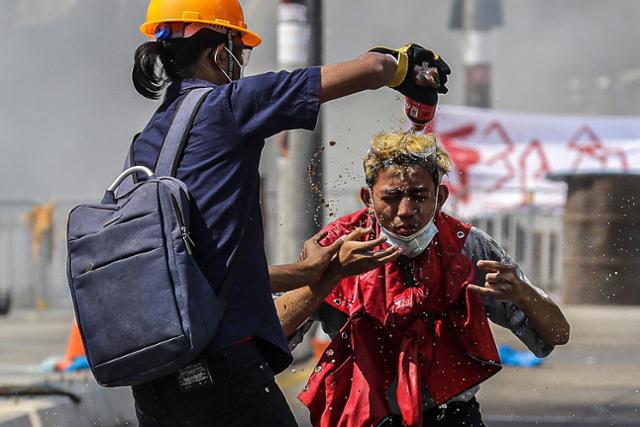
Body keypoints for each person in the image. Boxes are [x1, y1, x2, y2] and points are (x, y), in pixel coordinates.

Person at [127, 0, 451, 425]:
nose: (242, 64)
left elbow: (194, 273)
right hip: (221, 367)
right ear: (220, 53)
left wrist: (305, 274)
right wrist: (407, 67)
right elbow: (371, 71)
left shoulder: (148, 141)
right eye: (240, 53)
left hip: (157, 377)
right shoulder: (229, 104)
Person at [276, 132, 570, 427]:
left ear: (440, 198)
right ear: (368, 198)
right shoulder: (337, 247)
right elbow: (270, 329)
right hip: (363, 415)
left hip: (451, 415)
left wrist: (523, 295)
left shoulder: (467, 247)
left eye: (419, 196)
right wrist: (331, 276)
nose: (405, 212)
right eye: (390, 197)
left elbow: (557, 334)